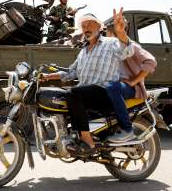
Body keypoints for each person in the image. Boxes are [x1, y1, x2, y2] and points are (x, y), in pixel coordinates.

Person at [41, 8, 134, 154]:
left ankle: (86, 139)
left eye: (90, 24)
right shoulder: (83, 52)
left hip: (104, 92)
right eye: (83, 26)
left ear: (99, 26)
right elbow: (71, 73)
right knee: (62, 96)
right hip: (87, 94)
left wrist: (121, 32)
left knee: (72, 93)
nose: (86, 28)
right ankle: (71, 136)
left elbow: (127, 52)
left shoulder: (110, 43)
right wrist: (47, 77)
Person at [104, 20, 157, 142]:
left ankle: (127, 130)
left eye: (107, 32)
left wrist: (134, 81)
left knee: (112, 87)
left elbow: (151, 62)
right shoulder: (110, 48)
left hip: (130, 88)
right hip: (114, 87)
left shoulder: (131, 46)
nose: (105, 35)